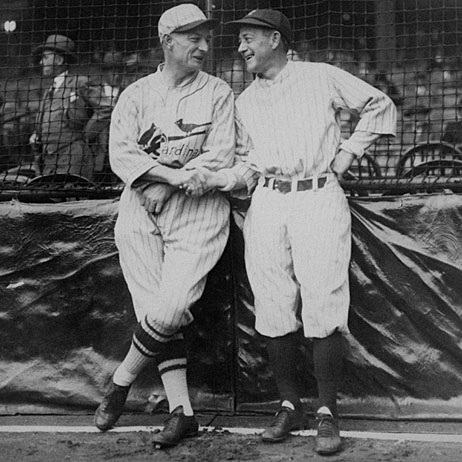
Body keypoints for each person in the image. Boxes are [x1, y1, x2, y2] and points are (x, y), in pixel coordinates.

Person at [183, 9, 397, 456]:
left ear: (275, 39)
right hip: (269, 200)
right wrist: (216, 178)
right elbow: (247, 166)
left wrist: (350, 151)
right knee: (274, 302)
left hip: (318, 195)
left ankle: (327, 413)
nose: (241, 48)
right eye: (240, 40)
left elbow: (380, 104)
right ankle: (289, 403)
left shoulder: (320, 76)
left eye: (248, 39)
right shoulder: (244, 102)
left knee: (323, 301)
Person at [93, 3, 235, 448]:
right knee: (152, 309)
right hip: (140, 206)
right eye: (193, 38)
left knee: (170, 308)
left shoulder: (218, 92)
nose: (204, 46)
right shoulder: (136, 94)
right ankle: (182, 411)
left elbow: (220, 155)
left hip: (198, 209)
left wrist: (172, 187)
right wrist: (169, 178)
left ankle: (120, 380)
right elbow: (122, 154)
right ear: (168, 41)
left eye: (206, 38)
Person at [30, 34, 113, 181]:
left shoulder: (79, 83)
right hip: (49, 159)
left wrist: (86, 135)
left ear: (59, 60)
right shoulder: (49, 90)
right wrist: (37, 136)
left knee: (73, 199)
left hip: (74, 158)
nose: (41, 62)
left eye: (45, 57)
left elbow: (106, 108)